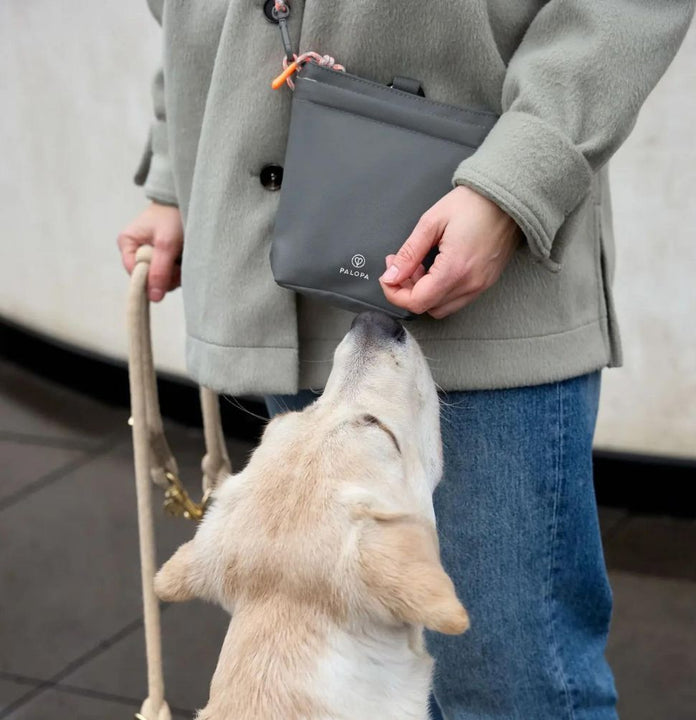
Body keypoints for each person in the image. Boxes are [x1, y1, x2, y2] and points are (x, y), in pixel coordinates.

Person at [118, 2, 694, 718]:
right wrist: (179, 173)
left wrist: (518, 181)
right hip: (278, 273)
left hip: (472, 262)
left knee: (510, 693)